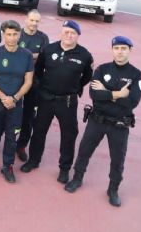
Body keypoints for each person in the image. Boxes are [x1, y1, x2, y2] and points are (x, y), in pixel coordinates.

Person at [65, 36, 141, 207]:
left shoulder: (137, 75)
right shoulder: (101, 69)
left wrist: (106, 92)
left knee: (117, 159)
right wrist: (118, 94)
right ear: (112, 50)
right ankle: (77, 178)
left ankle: (113, 189)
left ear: (130, 50)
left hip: (120, 125)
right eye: (117, 48)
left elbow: (133, 102)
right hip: (97, 121)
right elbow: (95, 96)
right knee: (84, 150)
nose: (120, 51)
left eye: (124, 48)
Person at [21, 20, 93, 184]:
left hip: (67, 102)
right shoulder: (49, 49)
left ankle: (64, 169)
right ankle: (33, 160)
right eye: (66, 32)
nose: (69, 35)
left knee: (69, 136)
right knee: (38, 131)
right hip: (46, 99)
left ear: (78, 36)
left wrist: (75, 87)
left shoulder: (84, 55)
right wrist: (42, 89)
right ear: (61, 32)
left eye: (72, 33)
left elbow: (87, 76)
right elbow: (38, 71)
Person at [0, 20, 34, 183]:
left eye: (15, 34)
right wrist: (4, 97)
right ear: (3, 35)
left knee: (12, 137)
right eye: (8, 34)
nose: (11, 38)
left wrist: (14, 98)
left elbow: (28, 81)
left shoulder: (26, 55)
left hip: (16, 105)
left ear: (20, 35)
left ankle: (8, 166)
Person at [15, 10, 49, 162]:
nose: (34, 24)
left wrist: (25, 54)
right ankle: (7, 142)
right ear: (26, 19)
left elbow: (44, 57)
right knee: (10, 113)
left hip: (34, 83)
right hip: (15, 82)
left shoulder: (43, 38)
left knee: (28, 116)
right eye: (32, 20)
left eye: (37, 21)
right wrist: (34, 54)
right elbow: (12, 52)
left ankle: (21, 146)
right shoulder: (17, 35)